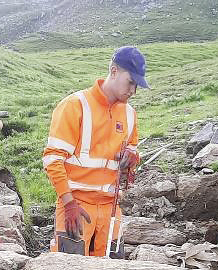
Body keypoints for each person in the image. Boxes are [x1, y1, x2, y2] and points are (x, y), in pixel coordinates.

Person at [42, 46, 147, 257]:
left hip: (111, 210)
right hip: (76, 207)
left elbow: (132, 155)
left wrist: (133, 158)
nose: (133, 91)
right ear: (114, 71)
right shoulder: (74, 106)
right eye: (130, 82)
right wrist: (68, 202)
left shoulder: (129, 114)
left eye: (137, 86)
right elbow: (53, 159)